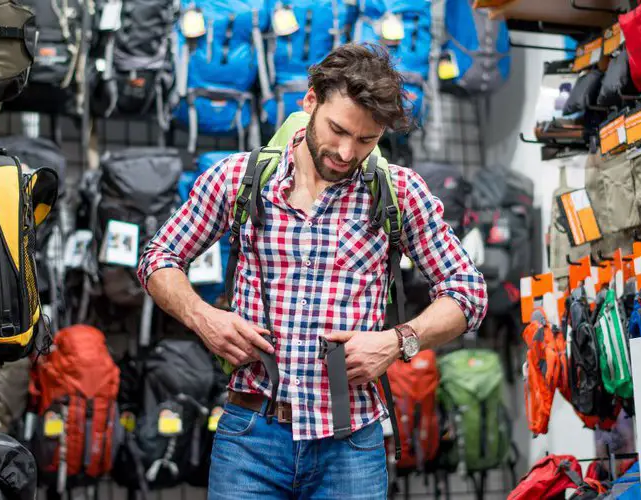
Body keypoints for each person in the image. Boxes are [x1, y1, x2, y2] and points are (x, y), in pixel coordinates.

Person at [137, 43, 487, 499]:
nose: (346, 152)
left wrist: (398, 341)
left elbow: (468, 292)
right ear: (310, 102)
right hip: (249, 440)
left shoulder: (399, 191)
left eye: (366, 140)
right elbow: (158, 257)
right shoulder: (237, 179)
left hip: (351, 447)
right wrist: (204, 317)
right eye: (337, 130)